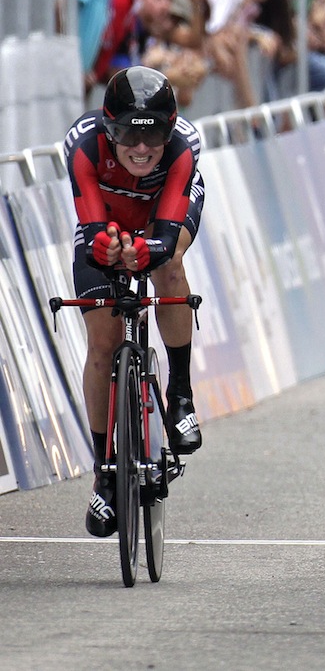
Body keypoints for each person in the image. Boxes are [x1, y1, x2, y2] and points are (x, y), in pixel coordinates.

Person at [64, 66, 205, 538]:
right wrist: (104, 248)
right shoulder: (82, 146)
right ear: (109, 129)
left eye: (154, 137)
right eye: (128, 135)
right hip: (107, 214)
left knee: (168, 265)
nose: (142, 149)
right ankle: (105, 477)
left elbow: (165, 235)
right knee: (102, 344)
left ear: (171, 130)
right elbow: (90, 232)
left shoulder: (183, 148)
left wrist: (150, 248)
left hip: (161, 208)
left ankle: (180, 393)